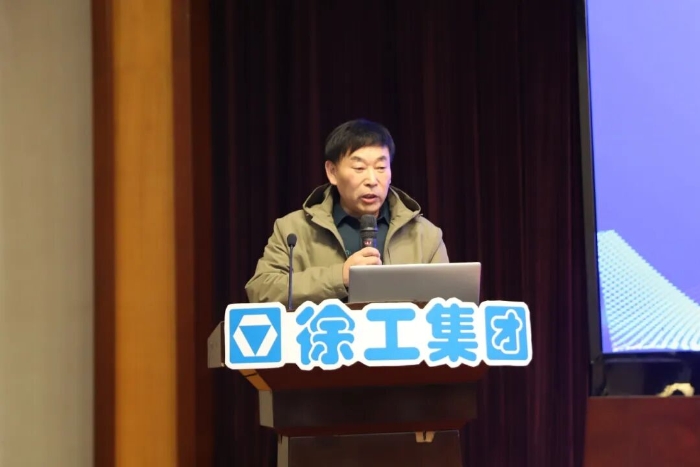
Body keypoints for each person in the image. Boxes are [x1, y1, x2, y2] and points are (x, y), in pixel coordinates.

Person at [244, 118, 449, 308]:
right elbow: (261, 291)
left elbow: (448, 305)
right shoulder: (294, 230)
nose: (372, 180)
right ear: (332, 172)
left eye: (381, 167)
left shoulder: (424, 235)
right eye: (359, 168)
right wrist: (339, 277)